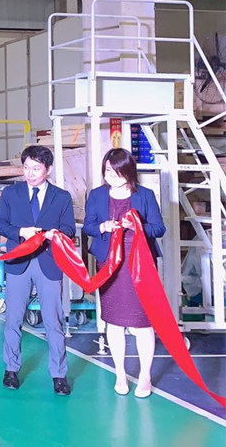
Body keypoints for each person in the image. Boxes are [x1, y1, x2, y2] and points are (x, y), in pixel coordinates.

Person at [83, 148, 166, 398]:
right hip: (109, 265)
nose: (111, 176)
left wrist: (137, 226)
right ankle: (120, 374)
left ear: (128, 172)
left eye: (116, 171)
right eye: (107, 171)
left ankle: (145, 376)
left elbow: (159, 228)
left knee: (143, 322)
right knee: (114, 321)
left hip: (140, 265)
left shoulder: (145, 195)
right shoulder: (96, 195)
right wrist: (102, 227)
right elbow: (88, 226)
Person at [0, 145, 77, 395]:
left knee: (54, 321)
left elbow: (69, 229)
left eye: (36, 168)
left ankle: (59, 374)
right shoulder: (11, 193)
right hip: (18, 263)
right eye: (26, 168)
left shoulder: (61, 197)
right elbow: (1, 224)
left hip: (48, 262)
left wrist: (54, 234)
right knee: (13, 319)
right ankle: (11, 369)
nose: (30, 174)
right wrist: (21, 232)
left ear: (48, 169)